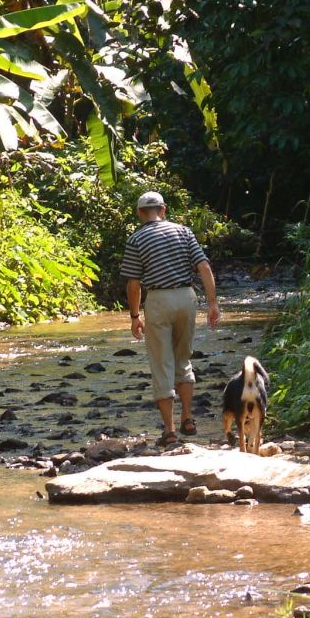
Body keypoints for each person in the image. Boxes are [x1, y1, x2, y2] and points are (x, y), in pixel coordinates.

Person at [121, 191, 221, 448]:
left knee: (161, 363)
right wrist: (212, 304)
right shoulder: (183, 232)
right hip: (186, 297)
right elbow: (204, 267)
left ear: (140, 213)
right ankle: (188, 417)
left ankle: (170, 429)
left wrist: (134, 316)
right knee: (183, 359)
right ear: (163, 210)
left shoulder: (136, 239)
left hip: (158, 299)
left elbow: (134, 283)